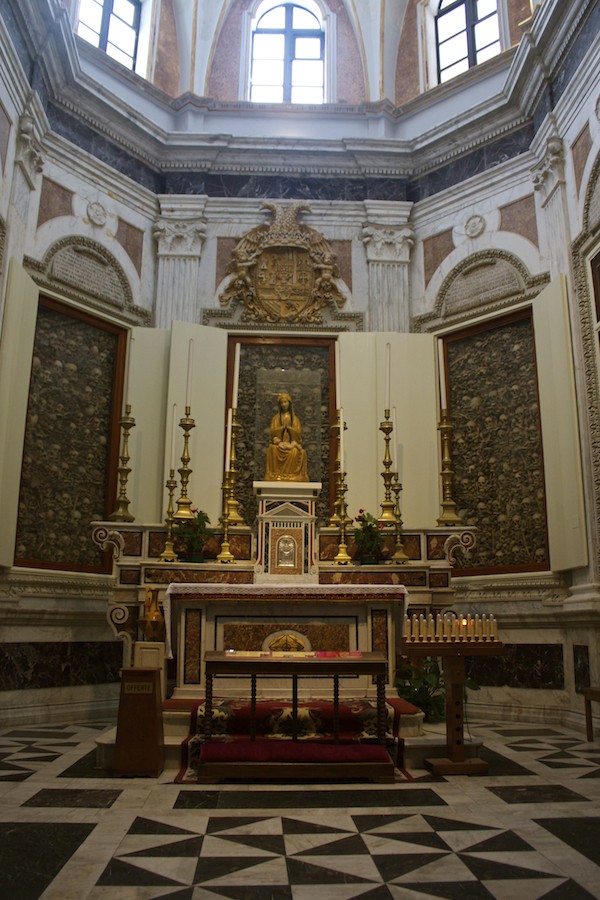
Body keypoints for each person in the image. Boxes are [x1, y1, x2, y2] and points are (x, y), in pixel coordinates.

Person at [265, 392, 309, 482]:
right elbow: (273, 435)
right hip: (279, 444)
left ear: (289, 403)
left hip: (291, 444)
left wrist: (291, 444)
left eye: (285, 402)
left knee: (295, 452)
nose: (284, 404)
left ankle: (292, 475)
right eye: (282, 402)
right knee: (272, 449)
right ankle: (276, 474)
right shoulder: (276, 418)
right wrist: (279, 442)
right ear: (279, 405)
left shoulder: (295, 419)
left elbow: (297, 436)